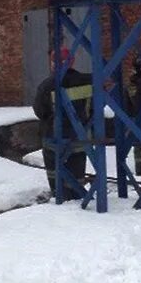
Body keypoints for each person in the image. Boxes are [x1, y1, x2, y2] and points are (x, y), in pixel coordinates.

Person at [32, 47, 92, 200]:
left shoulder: (47, 85)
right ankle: (77, 196)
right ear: (72, 62)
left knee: (55, 173)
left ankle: (60, 197)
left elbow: (40, 111)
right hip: (79, 136)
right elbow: (96, 106)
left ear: (53, 64)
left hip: (54, 137)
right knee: (77, 171)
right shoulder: (87, 81)